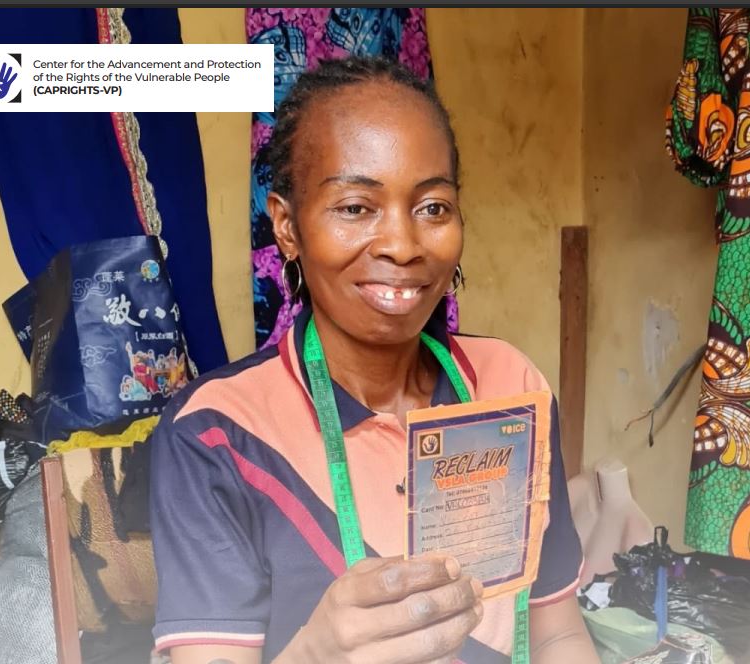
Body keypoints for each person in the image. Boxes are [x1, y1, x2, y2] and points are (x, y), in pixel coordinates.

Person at [150, 57, 599, 664]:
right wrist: (316, 653)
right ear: (287, 226)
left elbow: (558, 635)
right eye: (356, 207)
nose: (403, 246)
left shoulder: (511, 387)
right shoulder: (219, 433)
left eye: (432, 207)